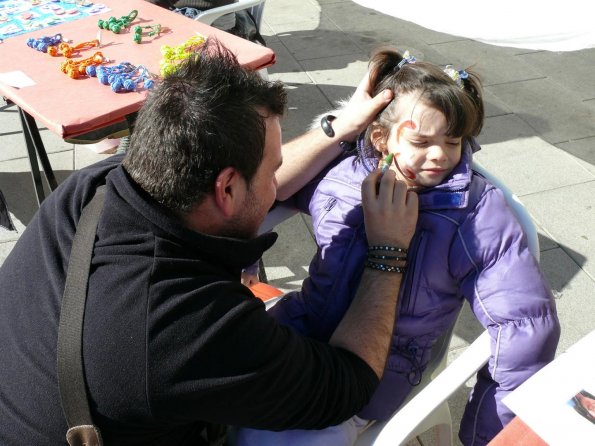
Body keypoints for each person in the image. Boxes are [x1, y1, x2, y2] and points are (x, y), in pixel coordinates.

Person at [0, 41, 419, 445]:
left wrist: (337, 129)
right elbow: (348, 386)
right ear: (227, 189)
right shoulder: (189, 328)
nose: (278, 185)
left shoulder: (98, 185)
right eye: (272, 173)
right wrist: (387, 251)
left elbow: (246, 185)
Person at [236, 48, 561, 446]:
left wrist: (488, 436)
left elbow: (524, 328)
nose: (440, 154)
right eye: (421, 140)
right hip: (299, 334)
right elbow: (260, 196)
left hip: (376, 377)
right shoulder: (342, 173)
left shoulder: (474, 213)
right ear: (380, 138)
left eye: (453, 140)